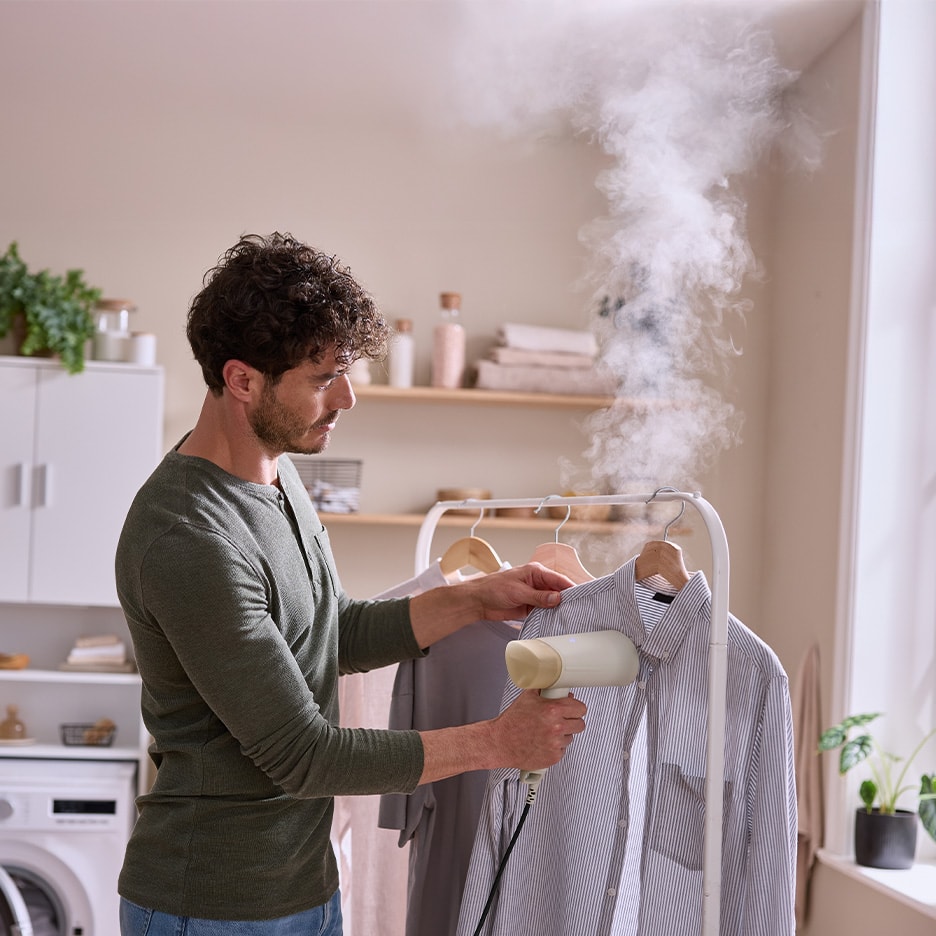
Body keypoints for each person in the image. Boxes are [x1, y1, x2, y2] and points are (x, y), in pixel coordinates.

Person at [115, 232, 587, 935]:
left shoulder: (276, 474)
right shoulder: (189, 537)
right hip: (212, 905)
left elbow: (327, 631)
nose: (348, 397)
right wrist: (498, 743)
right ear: (243, 381)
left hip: (306, 886)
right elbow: (304, 755)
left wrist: (473, 599)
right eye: (322, 379)